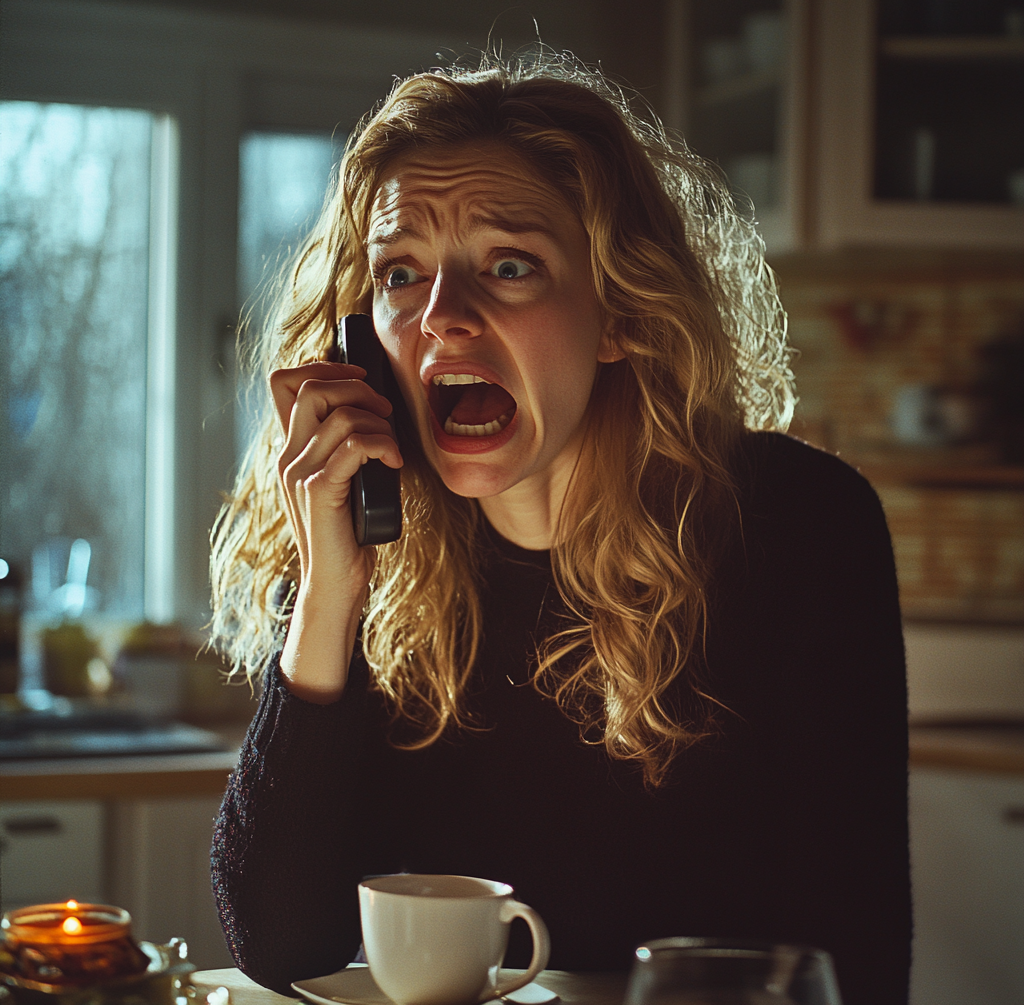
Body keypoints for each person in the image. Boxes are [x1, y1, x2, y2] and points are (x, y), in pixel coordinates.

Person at [210, 52, 910, 1005]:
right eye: (401, 274)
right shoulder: (368, 542)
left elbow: (854, 961)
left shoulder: (799, 528)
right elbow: (280, 942)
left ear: (618, 312)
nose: (443, 319)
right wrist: (330, 594)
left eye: (510, 266)